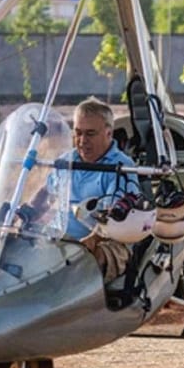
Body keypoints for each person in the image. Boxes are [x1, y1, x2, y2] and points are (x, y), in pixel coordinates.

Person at [59, 96, 139, 282]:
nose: (82, 141)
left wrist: (90, 241)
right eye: (78, 133)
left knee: (88, 263)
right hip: (64, 241)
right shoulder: (66, 160)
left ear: (108, 133)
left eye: (90, 134)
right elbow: (45, 194)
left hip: (106, 242)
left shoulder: (122, 167)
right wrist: (26, 213)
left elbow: (113, 219)